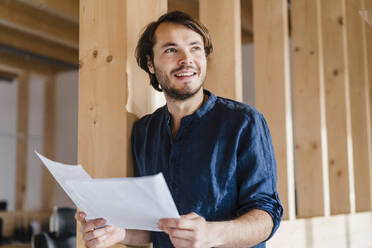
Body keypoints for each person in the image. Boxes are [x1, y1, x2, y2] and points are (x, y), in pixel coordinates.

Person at [75, 11, 283, 248]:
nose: (187, 59)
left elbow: (267, 217)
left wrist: (210, 233)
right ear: (151, 64)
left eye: (195, 48)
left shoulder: (245, 122)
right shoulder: (144, 132)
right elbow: (155, 229)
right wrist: (118, 233)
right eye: (171, 50)